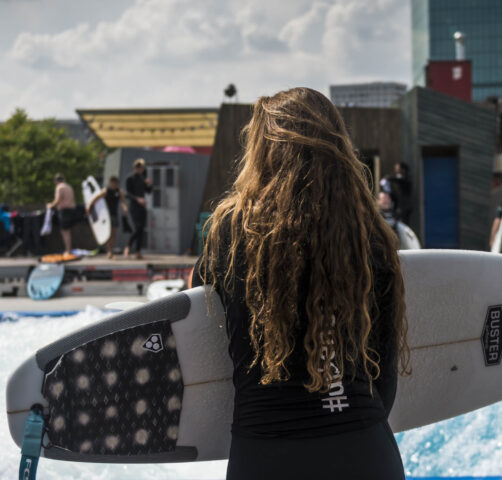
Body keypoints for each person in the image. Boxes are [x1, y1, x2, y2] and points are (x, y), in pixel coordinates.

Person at [192, 87, 409, 480]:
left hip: (266, 455)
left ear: (262, 150)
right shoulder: (369, 235)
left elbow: (198, 326)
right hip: (362, 448)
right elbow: (385, 371)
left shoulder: (230, 230)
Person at [86, 176, 128, 258]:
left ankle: (111, 251)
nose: (114, 185)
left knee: (113, 234)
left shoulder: (119, 192)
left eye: (115, 183)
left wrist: (125, 208)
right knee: (108, 234)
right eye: (112, 183)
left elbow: (123, 201)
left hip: (114, 214)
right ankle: (109, 251)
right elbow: (95, 199)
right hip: (106, 216)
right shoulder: (105, 191)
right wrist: (89, 208)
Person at [124, 158, 152, 259]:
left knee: (141, 229)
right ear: (135, 167)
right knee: (138, 227)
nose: (140, 169)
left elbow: (148, 191)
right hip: (134, 206)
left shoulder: (142, 178)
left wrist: (149, 184)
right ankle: (128, 245)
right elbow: (128, 194)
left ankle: (137, 251)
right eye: (138, 167)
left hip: (142, 206)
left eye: (141, 168)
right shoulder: (130, 178)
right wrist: (137, 199)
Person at [46, 173, 76, 255]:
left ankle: (68, 250)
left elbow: (58, 199)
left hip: (64, 211)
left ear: (56, 181)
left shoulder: (59, 187)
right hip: (72, 210)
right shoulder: (69, 186)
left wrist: (50, 205)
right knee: (68, 231)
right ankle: (69, 249)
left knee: (65, 231)